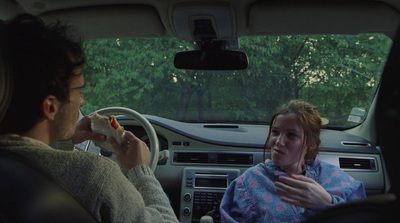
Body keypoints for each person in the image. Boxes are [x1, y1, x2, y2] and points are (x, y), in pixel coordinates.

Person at [0, 14, 179, 222]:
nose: (82, 102)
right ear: (50, 106)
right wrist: (141, 171)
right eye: (79, 91)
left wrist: (64, 138)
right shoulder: (97, 177)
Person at [219, 100, 366, 223]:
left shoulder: (337, 180)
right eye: (275, 132)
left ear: (311, 144)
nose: (279, 142)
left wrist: (327, 203)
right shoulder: (250, 182)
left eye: (291, 135)